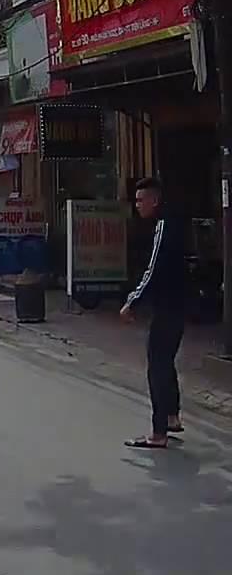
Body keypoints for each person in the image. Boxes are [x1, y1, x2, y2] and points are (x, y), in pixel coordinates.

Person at [121, 177, 188, 449]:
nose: (137, 205)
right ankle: (172, 417)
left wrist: (132, 301)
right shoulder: (173, 223)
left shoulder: (163, 226)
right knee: (165, 361)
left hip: (169, 305)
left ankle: (158, 433)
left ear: (154, 200)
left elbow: (153, 270)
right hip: (177, 303)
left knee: (157, 366)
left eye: (141, 200)